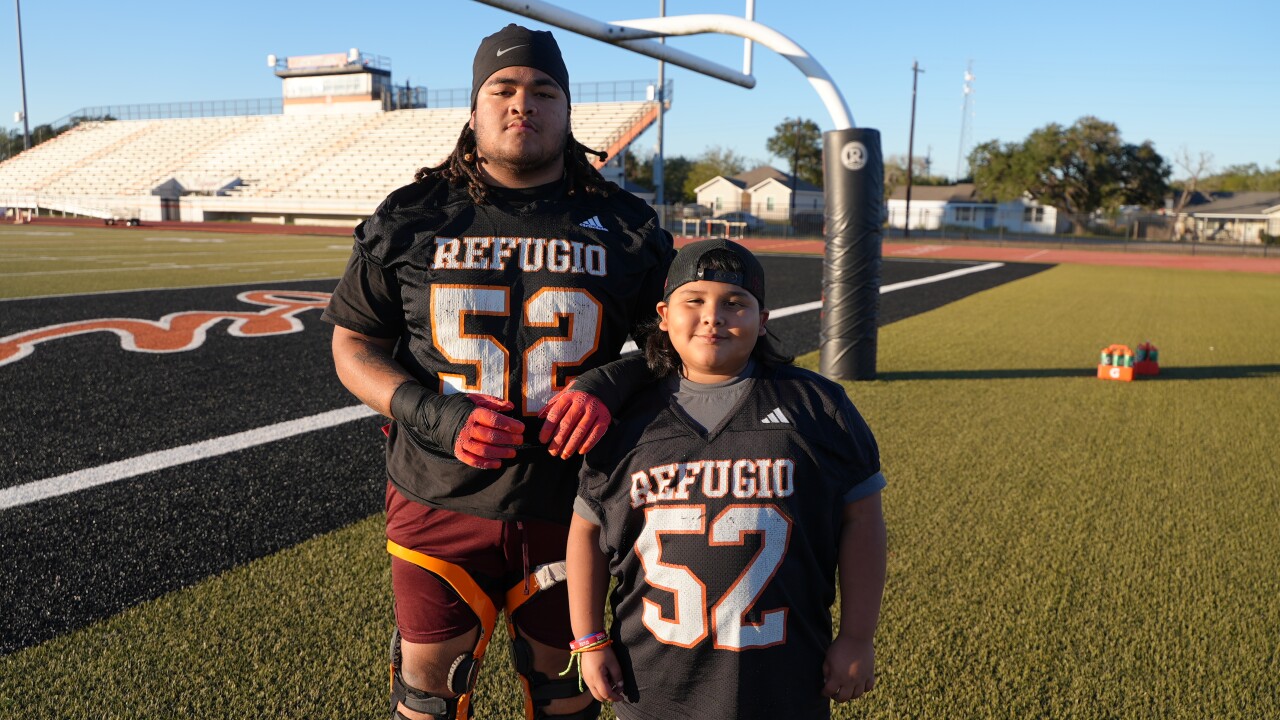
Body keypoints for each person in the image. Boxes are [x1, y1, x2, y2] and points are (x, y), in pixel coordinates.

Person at [322, 24, 674, 720]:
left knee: (567, 690)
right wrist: (435, 415)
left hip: (574, 503)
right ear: (475, 110)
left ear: (567, 112)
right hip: (438, 497)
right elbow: (352, 345)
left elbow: (676, 349)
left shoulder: (626, 226)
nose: (524, 103)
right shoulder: (412, 217)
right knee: (429, 687)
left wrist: (611, 383)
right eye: (503, 89)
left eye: (544, 90)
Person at [565, 239, 887, 720]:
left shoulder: (818, 406)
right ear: (663, 314)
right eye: (693, 301)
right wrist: (590, 639)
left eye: (735, 303)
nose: (713, 316)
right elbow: (586, 532)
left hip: (785, 671)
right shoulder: (626, 417)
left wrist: (857, 636)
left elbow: (862, 520)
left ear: (763, 320)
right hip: (652, 677)